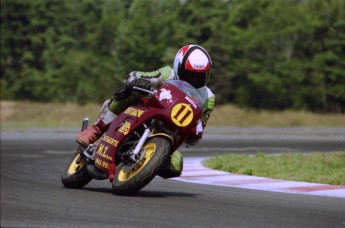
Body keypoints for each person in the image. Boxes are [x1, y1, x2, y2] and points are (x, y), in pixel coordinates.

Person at [76, 44, 215, 177]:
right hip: (147, 110)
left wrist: (196, 132)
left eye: (200, 76)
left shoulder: (208, 97)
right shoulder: (168, 73)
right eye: (189, 75)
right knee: (130, 92)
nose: (194, 80)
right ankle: (96, 129)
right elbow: (134, 76)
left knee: (176, 165)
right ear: (178, 67)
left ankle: (144, 166)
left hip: (170, 132)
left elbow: (200, 126)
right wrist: (140, 80)